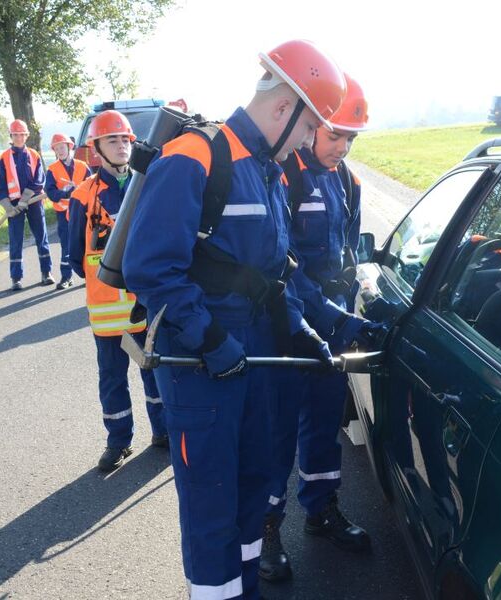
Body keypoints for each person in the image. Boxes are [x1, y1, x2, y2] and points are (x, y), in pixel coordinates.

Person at [122, 40, 346, 600]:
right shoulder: (194, 157)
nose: (305, 142)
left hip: (254, 358)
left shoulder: (265, 171)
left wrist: (299, 326)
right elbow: (151, 269)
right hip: (200, 366)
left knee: (253, 490)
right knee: (212, 504)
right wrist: (210, 337)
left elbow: (269, 274)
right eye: (307, 126)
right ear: (283, 108)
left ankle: (242, 590)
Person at [260, 74, 384, 582]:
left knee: (323, 421)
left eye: (351, 137)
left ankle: (321, 510)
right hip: (284, 322)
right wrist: (321, 318)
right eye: (335, 134)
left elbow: (349, 253)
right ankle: (266, 526)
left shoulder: (347, 180)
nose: (342, 146)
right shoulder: (280, 176)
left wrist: (355, 312)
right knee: (276, 430)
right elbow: (276, 269)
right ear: (310, 124)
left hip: (329, 320)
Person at [68, 110, 167, 472]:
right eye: (113, 140)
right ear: (97, 149)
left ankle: (163, 431)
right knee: (112, 379)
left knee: (154, 372)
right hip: (107, 312)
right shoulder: (83, 196)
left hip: (147, 305)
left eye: (126, 139)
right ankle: (118, 441)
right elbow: (76, 258)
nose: (122, 145)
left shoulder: (149, 185)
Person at [0, 119, 53, 291]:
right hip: (14, 206)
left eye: (22, 135)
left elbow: (39, 180)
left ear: (27, 136)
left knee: (41, 237)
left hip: (34, 201)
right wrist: (8, 207)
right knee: (15, 241)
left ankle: (47, 272)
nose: (19, 138)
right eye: (16, 135)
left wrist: (25, 199)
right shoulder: (3, 158)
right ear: (11, 136)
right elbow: (0, 185)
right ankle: (16, 278)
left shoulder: (34, 155)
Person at [46, 132, 91, 289]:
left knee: (87, 243)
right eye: (57, 148)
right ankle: (66, 277)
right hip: (63, 214)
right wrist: (65, 192)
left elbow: (92, 187)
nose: (60, 150)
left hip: (82, 212)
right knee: (66, 245)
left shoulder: (82, 166)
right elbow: (50, 193)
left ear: (69, 147)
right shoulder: (52, 169)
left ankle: (89, 276)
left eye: (62, 147)